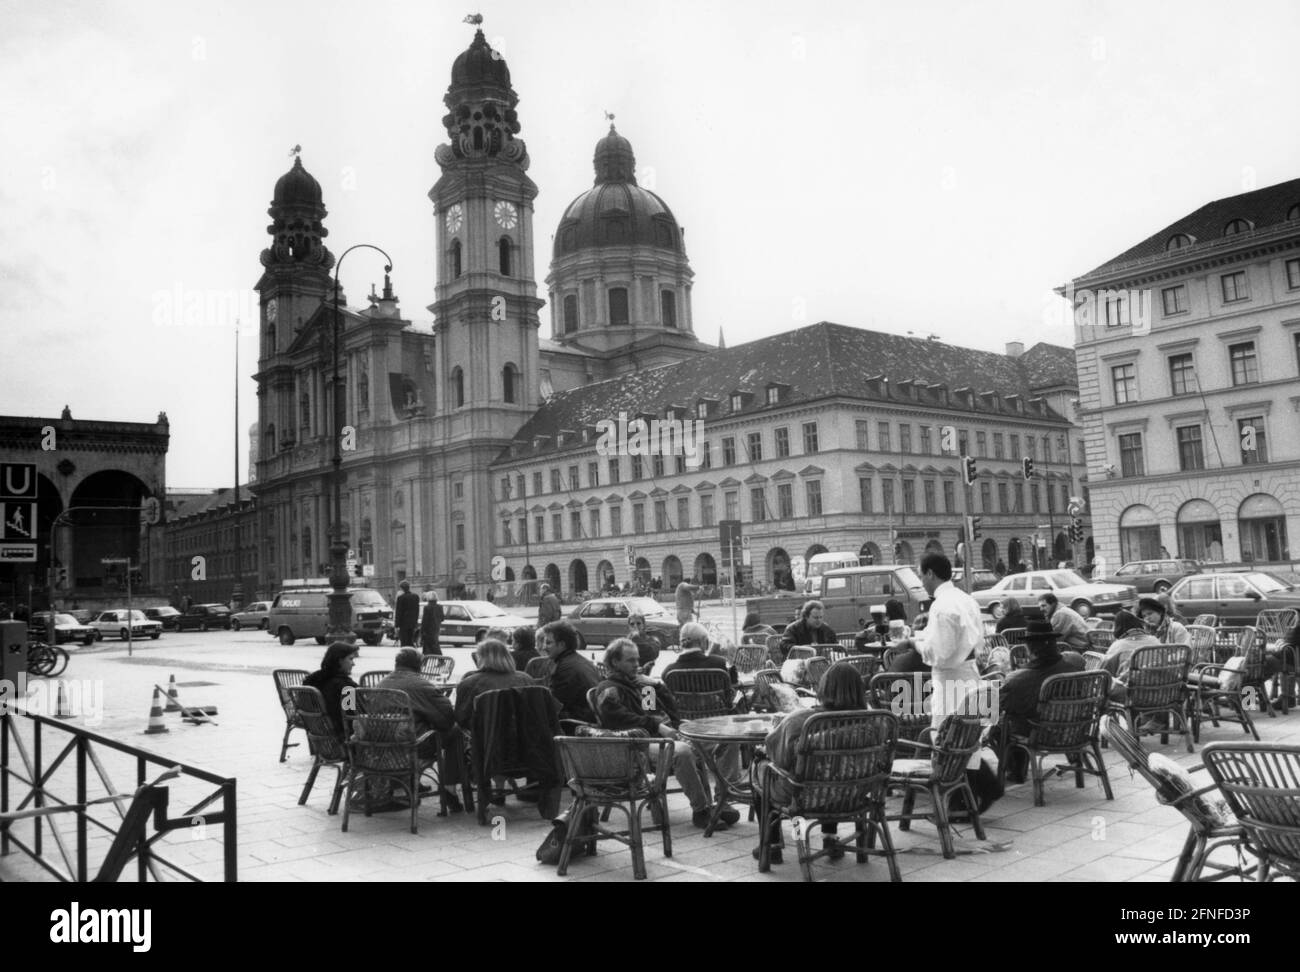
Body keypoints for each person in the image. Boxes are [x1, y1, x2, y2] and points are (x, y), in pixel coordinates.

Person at [595, 638, 741, 830]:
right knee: (681, 752)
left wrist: (656, 686)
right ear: (615, 662)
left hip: (665, 735)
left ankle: (722, 801)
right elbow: (618, 720)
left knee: (728, 740)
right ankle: (701, 810)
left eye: (637, 660)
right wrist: (659, 728)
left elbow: (666, 712)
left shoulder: (641, 685)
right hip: (638, 744)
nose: (637, 665)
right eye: (631, 660)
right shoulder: (608, 688)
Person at [752, 661, 868, 864]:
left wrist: (765, 749)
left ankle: (772, 845)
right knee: (835, 769)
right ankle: (830, 839)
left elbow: (778, 756)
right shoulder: (874, 720)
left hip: (805, 796)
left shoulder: (803, 720)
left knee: (761, 767)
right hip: (852, 793)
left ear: (824, 687)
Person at [998, 621, 1086, 782]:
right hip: (1076, 731)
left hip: (1041, 734)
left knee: (1000, 726)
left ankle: (1016, 772)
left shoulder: (1020, 679)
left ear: (1029, 647)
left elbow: (1006, 706)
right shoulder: (1073, 667)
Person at [378, 648, 463, 809]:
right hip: (413, 744)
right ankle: (449, 788)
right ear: (420, 666)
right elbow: (446, 718)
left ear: (397, 664)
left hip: (382, 744)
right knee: (455, 731)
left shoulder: (382, 683)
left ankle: (402, 783)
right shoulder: (421, 685)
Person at [916, 553, 984, 734]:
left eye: (921, 576)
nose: (921, 582)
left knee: (947, 743)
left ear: (930, 574)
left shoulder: (941, 606)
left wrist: (913, 644)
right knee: (969, 741)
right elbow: (976, 640)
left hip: (950, 684)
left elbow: (939, 654)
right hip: (970, 676)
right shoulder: (967, 600)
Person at [453, 639, 536, 729]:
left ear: (481, 658)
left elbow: (461, 717)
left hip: (485, 735)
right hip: (523, 734)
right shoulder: (526, 679)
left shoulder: (470, 682)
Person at [540, 620, 599, 722]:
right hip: (591, 716)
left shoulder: (564, 668)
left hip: (578, 723)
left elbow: (553, 705)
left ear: (562, 645)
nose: (544, 647)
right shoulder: (583, 661)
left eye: (548, 643)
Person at [302, 641, 360, 740]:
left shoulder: (312, 680)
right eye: (350, 659)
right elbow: (351, 716)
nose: (353, 664)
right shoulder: (345, 687)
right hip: (344, 738)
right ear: (340, 660)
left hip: (321, 737)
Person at [663, 620, 737, 686]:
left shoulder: (669, 671)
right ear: (703, 641)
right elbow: (731, 687)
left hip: (683, 702)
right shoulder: (719, 663)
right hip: (714, 701)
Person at [1100, 609, 1159, 683]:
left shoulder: (1118, 646)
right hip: (1158, 688)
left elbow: (1105, 672)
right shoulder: (1155, 640)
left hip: (1128, 691)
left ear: (1117, 627)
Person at [394, 581, 420, 648]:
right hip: (412, 623)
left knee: (404, 641)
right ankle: (412, 653)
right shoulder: (416, 597)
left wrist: (396, 624)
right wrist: (416, 622)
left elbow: (399, 612)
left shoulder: (401, 598)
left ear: (402, 588)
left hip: (403, 623)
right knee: (411, 640)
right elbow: (417, 610)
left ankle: (406, 654)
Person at [420, 591, 444, 655]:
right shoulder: (440, 607)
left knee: (429, 646)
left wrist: (422, 631)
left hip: (428, 630)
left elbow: (425, 620)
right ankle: (439, 660)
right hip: (436, 628)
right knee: (435, 644)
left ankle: (426, 660)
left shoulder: (427, 607)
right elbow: (442, 618)